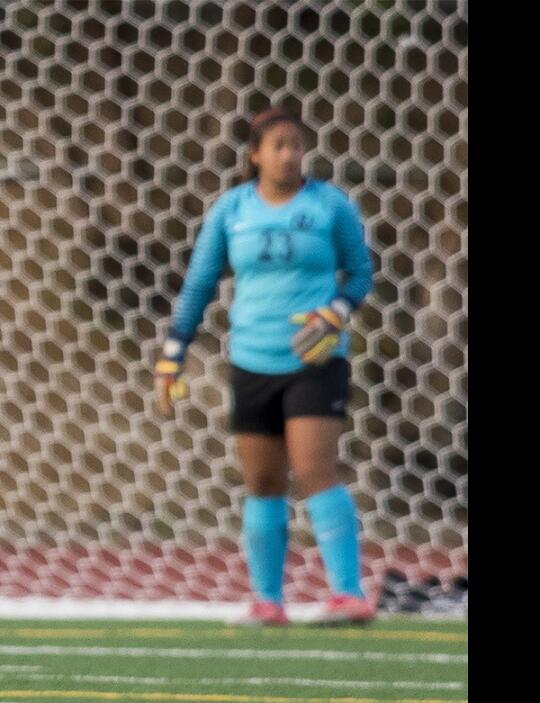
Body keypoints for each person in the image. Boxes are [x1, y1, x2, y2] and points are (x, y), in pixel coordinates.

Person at [156, 108, 377, 627]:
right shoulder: (232, 210)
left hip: (313, 360)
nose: (288, 154)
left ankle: (349, 594)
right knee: (261, 480)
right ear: (255, 154)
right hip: (251, 360)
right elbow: (200, 283)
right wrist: (173, 351)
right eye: (277, 145)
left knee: (315, 468)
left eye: (296, 144)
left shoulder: (329, 206)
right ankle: (267, 601)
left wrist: (338, 311)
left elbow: (361, 271)